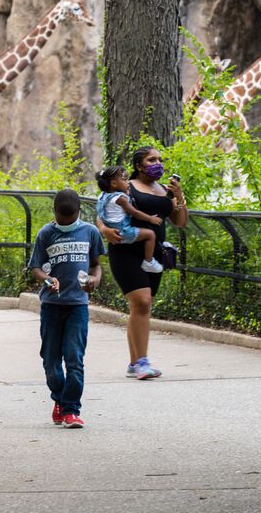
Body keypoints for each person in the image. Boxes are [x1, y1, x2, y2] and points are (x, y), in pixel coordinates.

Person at [96, 146, 188, 380]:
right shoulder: (128, 187)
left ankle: (136, 362)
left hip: (154, 252)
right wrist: (105, 230)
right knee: (142, 301)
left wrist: (179, 196)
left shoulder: (163, 190)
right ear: (139, 165)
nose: (157, 163)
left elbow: (179, 221)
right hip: (126, 249)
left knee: (143, 307)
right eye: (151, 159)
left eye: (159, 159)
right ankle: (141, 362)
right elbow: (103, 209)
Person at [27, 189, 104, 429]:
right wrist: (46, 279)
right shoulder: (46, 233)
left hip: (77, 305)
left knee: (74, 358)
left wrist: (94, 281)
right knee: (50, 361)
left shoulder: (90, 232)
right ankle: (58, 397)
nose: (66, 222)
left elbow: (96, 266)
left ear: (79, 212)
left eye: (70, 219)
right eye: (62, 218)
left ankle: (71, 409)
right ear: (55, 212)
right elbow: (36, 267)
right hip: (52, 306)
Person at [95, 166, 163, 273]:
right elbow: (134, 213)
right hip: (123, 231)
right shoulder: (121, 199)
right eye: (124, 180)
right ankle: (148, 261)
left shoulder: (103, 196)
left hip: (113, 229)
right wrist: (150, 219)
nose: (128, 183)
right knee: (150, 235)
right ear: (113, 184)